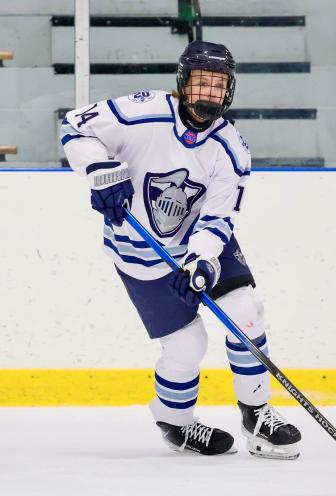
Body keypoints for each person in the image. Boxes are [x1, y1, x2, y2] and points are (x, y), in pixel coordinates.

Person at [61, 40, 301, 459]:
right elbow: (75, 127)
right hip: (141, 252)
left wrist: (202, 259)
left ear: (229, 90)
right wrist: (101, 171)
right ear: (182, 82)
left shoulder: (232, 148)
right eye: (201, 82)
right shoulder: (143, 112)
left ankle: (257, 415)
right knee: (188, 345)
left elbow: (218, 217)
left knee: (245, 312)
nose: (210, 93)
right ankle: (176, 423)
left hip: (200, 242)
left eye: (219, 85)